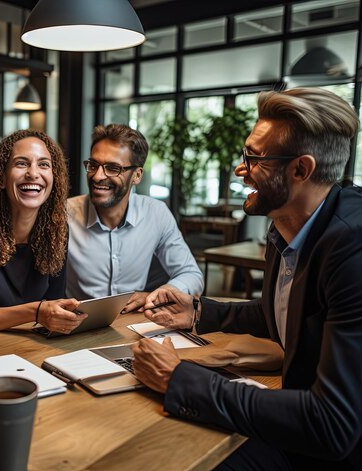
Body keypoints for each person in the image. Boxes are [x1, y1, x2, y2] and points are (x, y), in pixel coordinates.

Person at [133, 88, 362, 469]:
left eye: (254, 158)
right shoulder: (288, 226)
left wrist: (180, 378)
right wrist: (198, 313)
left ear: (301, 170)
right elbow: (291, 311)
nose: (240, 169)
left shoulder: (352, 247)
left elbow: (332, 424)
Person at [0, 129, 85, 335]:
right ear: (1, 178)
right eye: (21, 163)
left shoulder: (57, 231)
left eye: (44, 164)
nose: (33, 173)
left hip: (34, 346)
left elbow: (55, 302)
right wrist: (36, 312)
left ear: (54, 179)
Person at [67, 124, 203, 312]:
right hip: (76, 328)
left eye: (113, 168)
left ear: (137, 175)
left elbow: (191, 274)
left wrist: (158, 295)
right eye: (93, 165)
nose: (98, 176)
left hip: (133, 327)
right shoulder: (64, 215)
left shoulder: (156, 213)